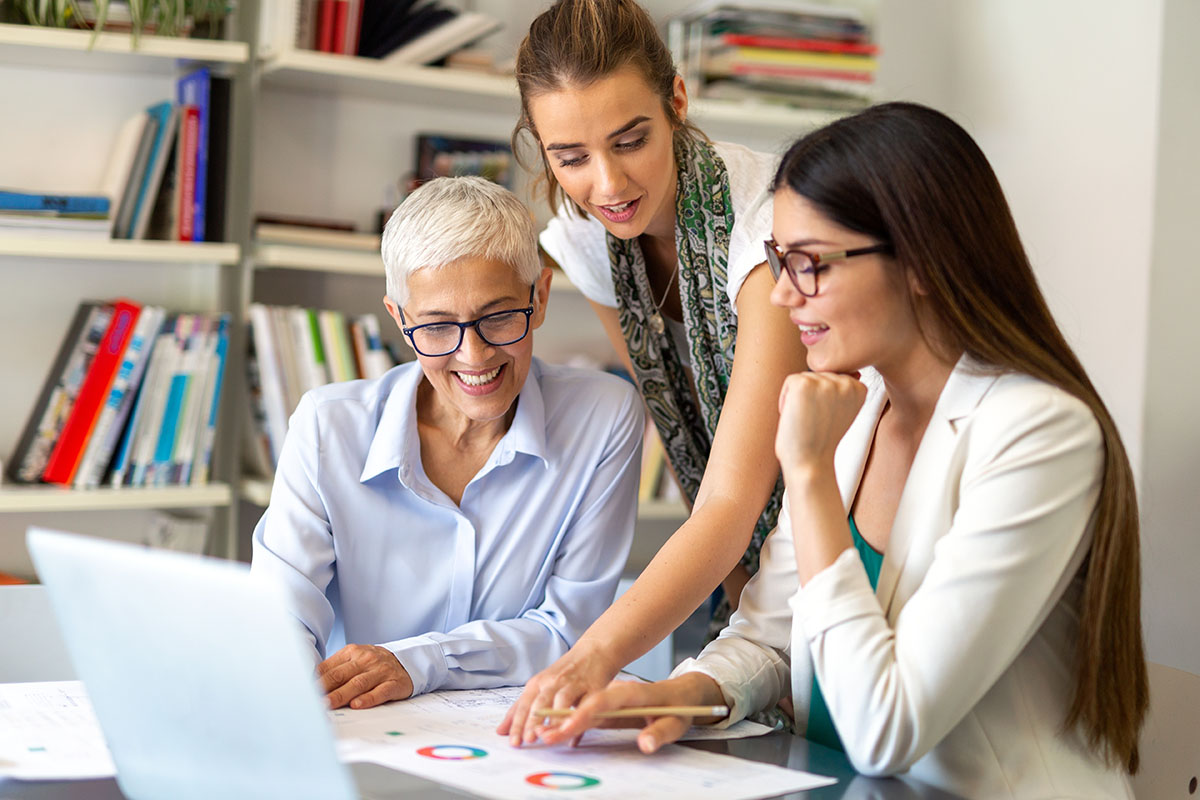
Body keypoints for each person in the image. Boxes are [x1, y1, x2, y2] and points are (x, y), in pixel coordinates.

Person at [528, 103, 1148, 798]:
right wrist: (683, 695)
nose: (785, 296)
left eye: (810, 264)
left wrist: (810, 473)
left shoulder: (1039, 435)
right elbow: (769, 636)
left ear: (918, 260)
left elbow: (884, 731)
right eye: (778, 261)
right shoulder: (855, 408)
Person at [501, 0, 808, 743]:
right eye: (570, 157)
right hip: (752, 568)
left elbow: (734, 500)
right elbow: (679, 426)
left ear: (677, 100)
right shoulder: (585, 238)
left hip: (842, 528)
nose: (608, 183)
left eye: (630, 140)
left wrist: (596, 654)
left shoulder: (767, 224)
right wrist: (736, 598)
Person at [250, 176, 644, 710]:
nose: (474, 355)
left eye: (500, 316)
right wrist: (290, 692)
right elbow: (280, 617)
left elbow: (570, 632)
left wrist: (419, 663)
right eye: (436, 327)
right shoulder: (327, 428)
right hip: (368, 728)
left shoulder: (603, 417)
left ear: (541, 297)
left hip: (516, 743)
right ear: (400, 318)